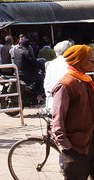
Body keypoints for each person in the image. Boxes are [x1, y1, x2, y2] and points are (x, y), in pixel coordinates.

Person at [51, 44, 94, 179]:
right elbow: (58, 119)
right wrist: (67, 146)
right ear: (79, 62)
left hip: (90, 141)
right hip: (76, 147)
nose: (93, 62)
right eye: (90, 59)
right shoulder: (66, 85)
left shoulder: (86, 81)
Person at [44, 40, 74, 112]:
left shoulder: (50, 64)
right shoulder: (70, 62)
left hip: (52, 101)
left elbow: (46, 84)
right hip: (67, 102)